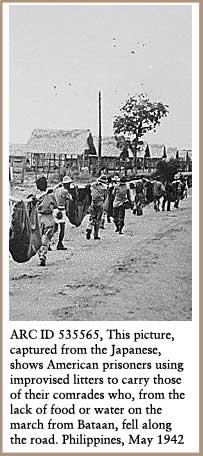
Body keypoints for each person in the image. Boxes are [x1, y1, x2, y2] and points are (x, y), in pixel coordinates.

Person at [36, 176, 57, 266]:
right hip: (49, 218)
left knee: (38, 238)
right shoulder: (51, 195)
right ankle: (43, 256)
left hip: (38, 218)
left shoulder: (36, 196)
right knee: (46, 238)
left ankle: (40, 254)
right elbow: (56, 205)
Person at [53, 175, 73, 250]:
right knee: (62, 228)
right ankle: (60, 243)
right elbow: (71, 199)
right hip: (61, 210)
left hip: (55, 209)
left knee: (54, 228)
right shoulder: (65, 191)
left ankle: (48, 243)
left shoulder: (57, 189)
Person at [86, 174, 108, 240]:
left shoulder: (93, 185)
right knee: (98, 219)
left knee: (92, 217)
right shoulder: (105, 187)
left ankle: (89, 228)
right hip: (100, 203)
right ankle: (96, 234)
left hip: (93, 203)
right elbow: (106, 197)